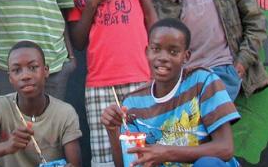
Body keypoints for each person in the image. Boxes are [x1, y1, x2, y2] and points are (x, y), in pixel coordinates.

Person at [66, 0, 158, 167]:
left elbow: (150, 13)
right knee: (106, 158)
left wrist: (156, 58)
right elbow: (79, 41)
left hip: (139, 73)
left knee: (146, 153)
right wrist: (93, 0)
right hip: (100, 82)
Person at [101, 18, 240, 167]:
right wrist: (112, 130)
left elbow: (225, 148)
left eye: (173, 52)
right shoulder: (132, 103)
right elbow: (129, 164)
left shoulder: (203, 81)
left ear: (186, 56)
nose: (163, 58)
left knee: (208, 163)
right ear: (147, 52)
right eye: (156, 49)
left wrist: (166, 153)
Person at [0, 40, 82, 167]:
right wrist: (7, 146)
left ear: (46, 71)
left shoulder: (64, 113)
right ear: (10, 78)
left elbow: (75, 164)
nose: (25, 76)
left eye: (33, 67)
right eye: (17, 70)